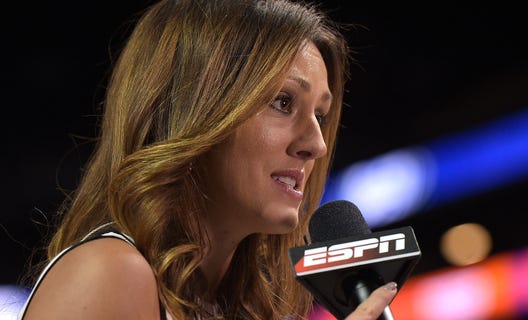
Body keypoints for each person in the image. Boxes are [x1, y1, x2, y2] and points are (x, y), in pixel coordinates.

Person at [18, 0, 398, 319]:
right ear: (195, 111)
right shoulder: (111, 272)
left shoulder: (231, 305)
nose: (316, 145)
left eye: (320, 115)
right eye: (283, 102)